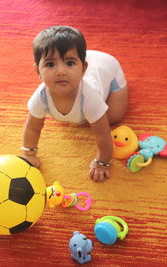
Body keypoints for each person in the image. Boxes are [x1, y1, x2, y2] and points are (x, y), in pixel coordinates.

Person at [22, 25, 128, 182]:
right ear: (38, 70)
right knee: (80, 120)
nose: (61, 71)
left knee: (113, 117)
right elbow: (33, 127)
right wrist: (29, 154)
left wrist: (102, 162)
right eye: (50, 64)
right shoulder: (41, 95)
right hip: (87, 63)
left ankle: (89, 63)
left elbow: (103, 134)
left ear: (83, 68)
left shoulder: (89, 96)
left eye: (70, 63)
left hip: (108, 69)